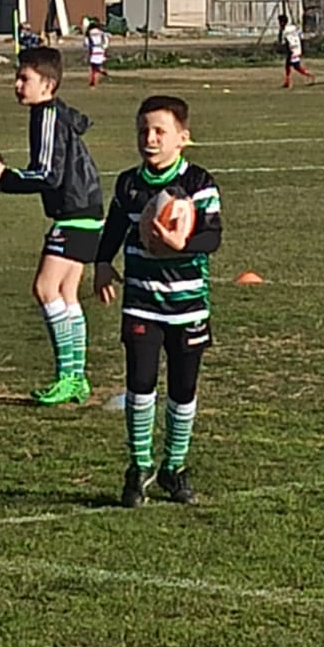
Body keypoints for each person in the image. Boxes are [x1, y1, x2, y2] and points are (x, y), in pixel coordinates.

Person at [96, 96, 222, 506]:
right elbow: (115, 227)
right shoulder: (128, 184)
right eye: (143, 131)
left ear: (182, 138)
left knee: (183, 388)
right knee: (140, 383)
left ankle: (175, 466)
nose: (149, 139)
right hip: (141, 303)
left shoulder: (199, 183)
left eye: (159, 132)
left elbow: (213, 236)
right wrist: (102, 263)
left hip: (188, 305)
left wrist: (181, 244)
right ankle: (139, 466)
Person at [0, 46, 103, 405]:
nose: (16, 85)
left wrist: (4, 176)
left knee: (45, 289)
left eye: (24, 78)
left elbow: (47, 174)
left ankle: (66, 376)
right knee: (67, 293)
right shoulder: (56, 112)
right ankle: (77, 377)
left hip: (73, 211)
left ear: (47, 85)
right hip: (89, 207)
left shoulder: (46, 115)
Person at [280, 15, 313, 87]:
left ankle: (309, 75)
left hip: (292, 50)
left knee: (296, 67)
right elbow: (300, 34)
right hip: (297, 48)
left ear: (282, 22)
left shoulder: (284, 31)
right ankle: (287, 82)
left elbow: (283, 42)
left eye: (280, 22)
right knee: (288, 66)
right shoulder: (293, 27)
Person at [84, 17, 109, 88]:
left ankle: (92, 84)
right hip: (100, 51)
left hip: (93, 52)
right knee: (97, 69)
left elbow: (86, 43)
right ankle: (99, 73)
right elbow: (106, 43)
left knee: (93, 69)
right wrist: (104, 48)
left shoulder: (89, 33)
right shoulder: (102, 33)